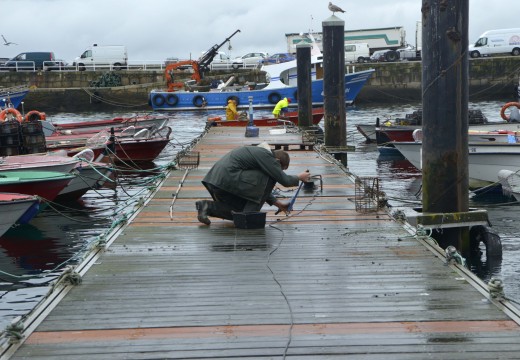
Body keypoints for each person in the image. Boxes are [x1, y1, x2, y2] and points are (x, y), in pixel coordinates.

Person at [195, 142, 311, 225]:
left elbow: (259, 187)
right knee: (270, 177)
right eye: (280, 169)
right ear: (277, 161)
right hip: (227, 178)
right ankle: (249, 216)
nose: (279, 171)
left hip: (216, 181)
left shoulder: (262, 156)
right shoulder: (267, 157)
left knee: (239, 211)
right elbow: (284, 181)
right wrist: (299, 177)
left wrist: (278, 204)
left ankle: (206, 207)